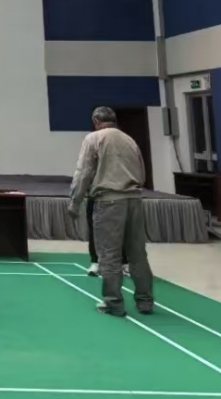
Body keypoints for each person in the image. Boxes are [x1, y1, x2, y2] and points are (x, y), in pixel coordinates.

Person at [68, 106, 153, 317]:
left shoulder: (93, 138)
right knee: (138, 254)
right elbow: (142, 173)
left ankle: (113, 302)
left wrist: (75, 202)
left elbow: (84, 172)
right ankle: (145, 301)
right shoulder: (129, 140)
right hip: (134, 199)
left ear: (96, 121)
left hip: (108, 201)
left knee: (109, 254)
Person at [85, 198, 128, 277]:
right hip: (96, 198)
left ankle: (124, 263)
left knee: (121, 229)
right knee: (94, 230)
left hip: (118, 197)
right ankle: (95, 263)